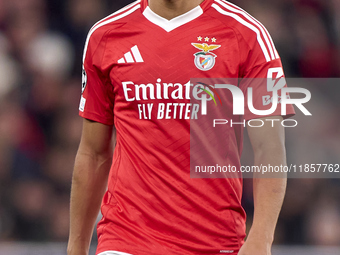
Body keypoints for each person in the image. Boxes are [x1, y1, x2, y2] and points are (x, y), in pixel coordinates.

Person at [67, 0, 295, 255]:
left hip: (214, 241)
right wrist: (76, 246)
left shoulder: (247, 34)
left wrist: (261, 239)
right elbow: (93, 153)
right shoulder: (106, 34)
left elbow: (270, 148)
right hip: (126, 237)